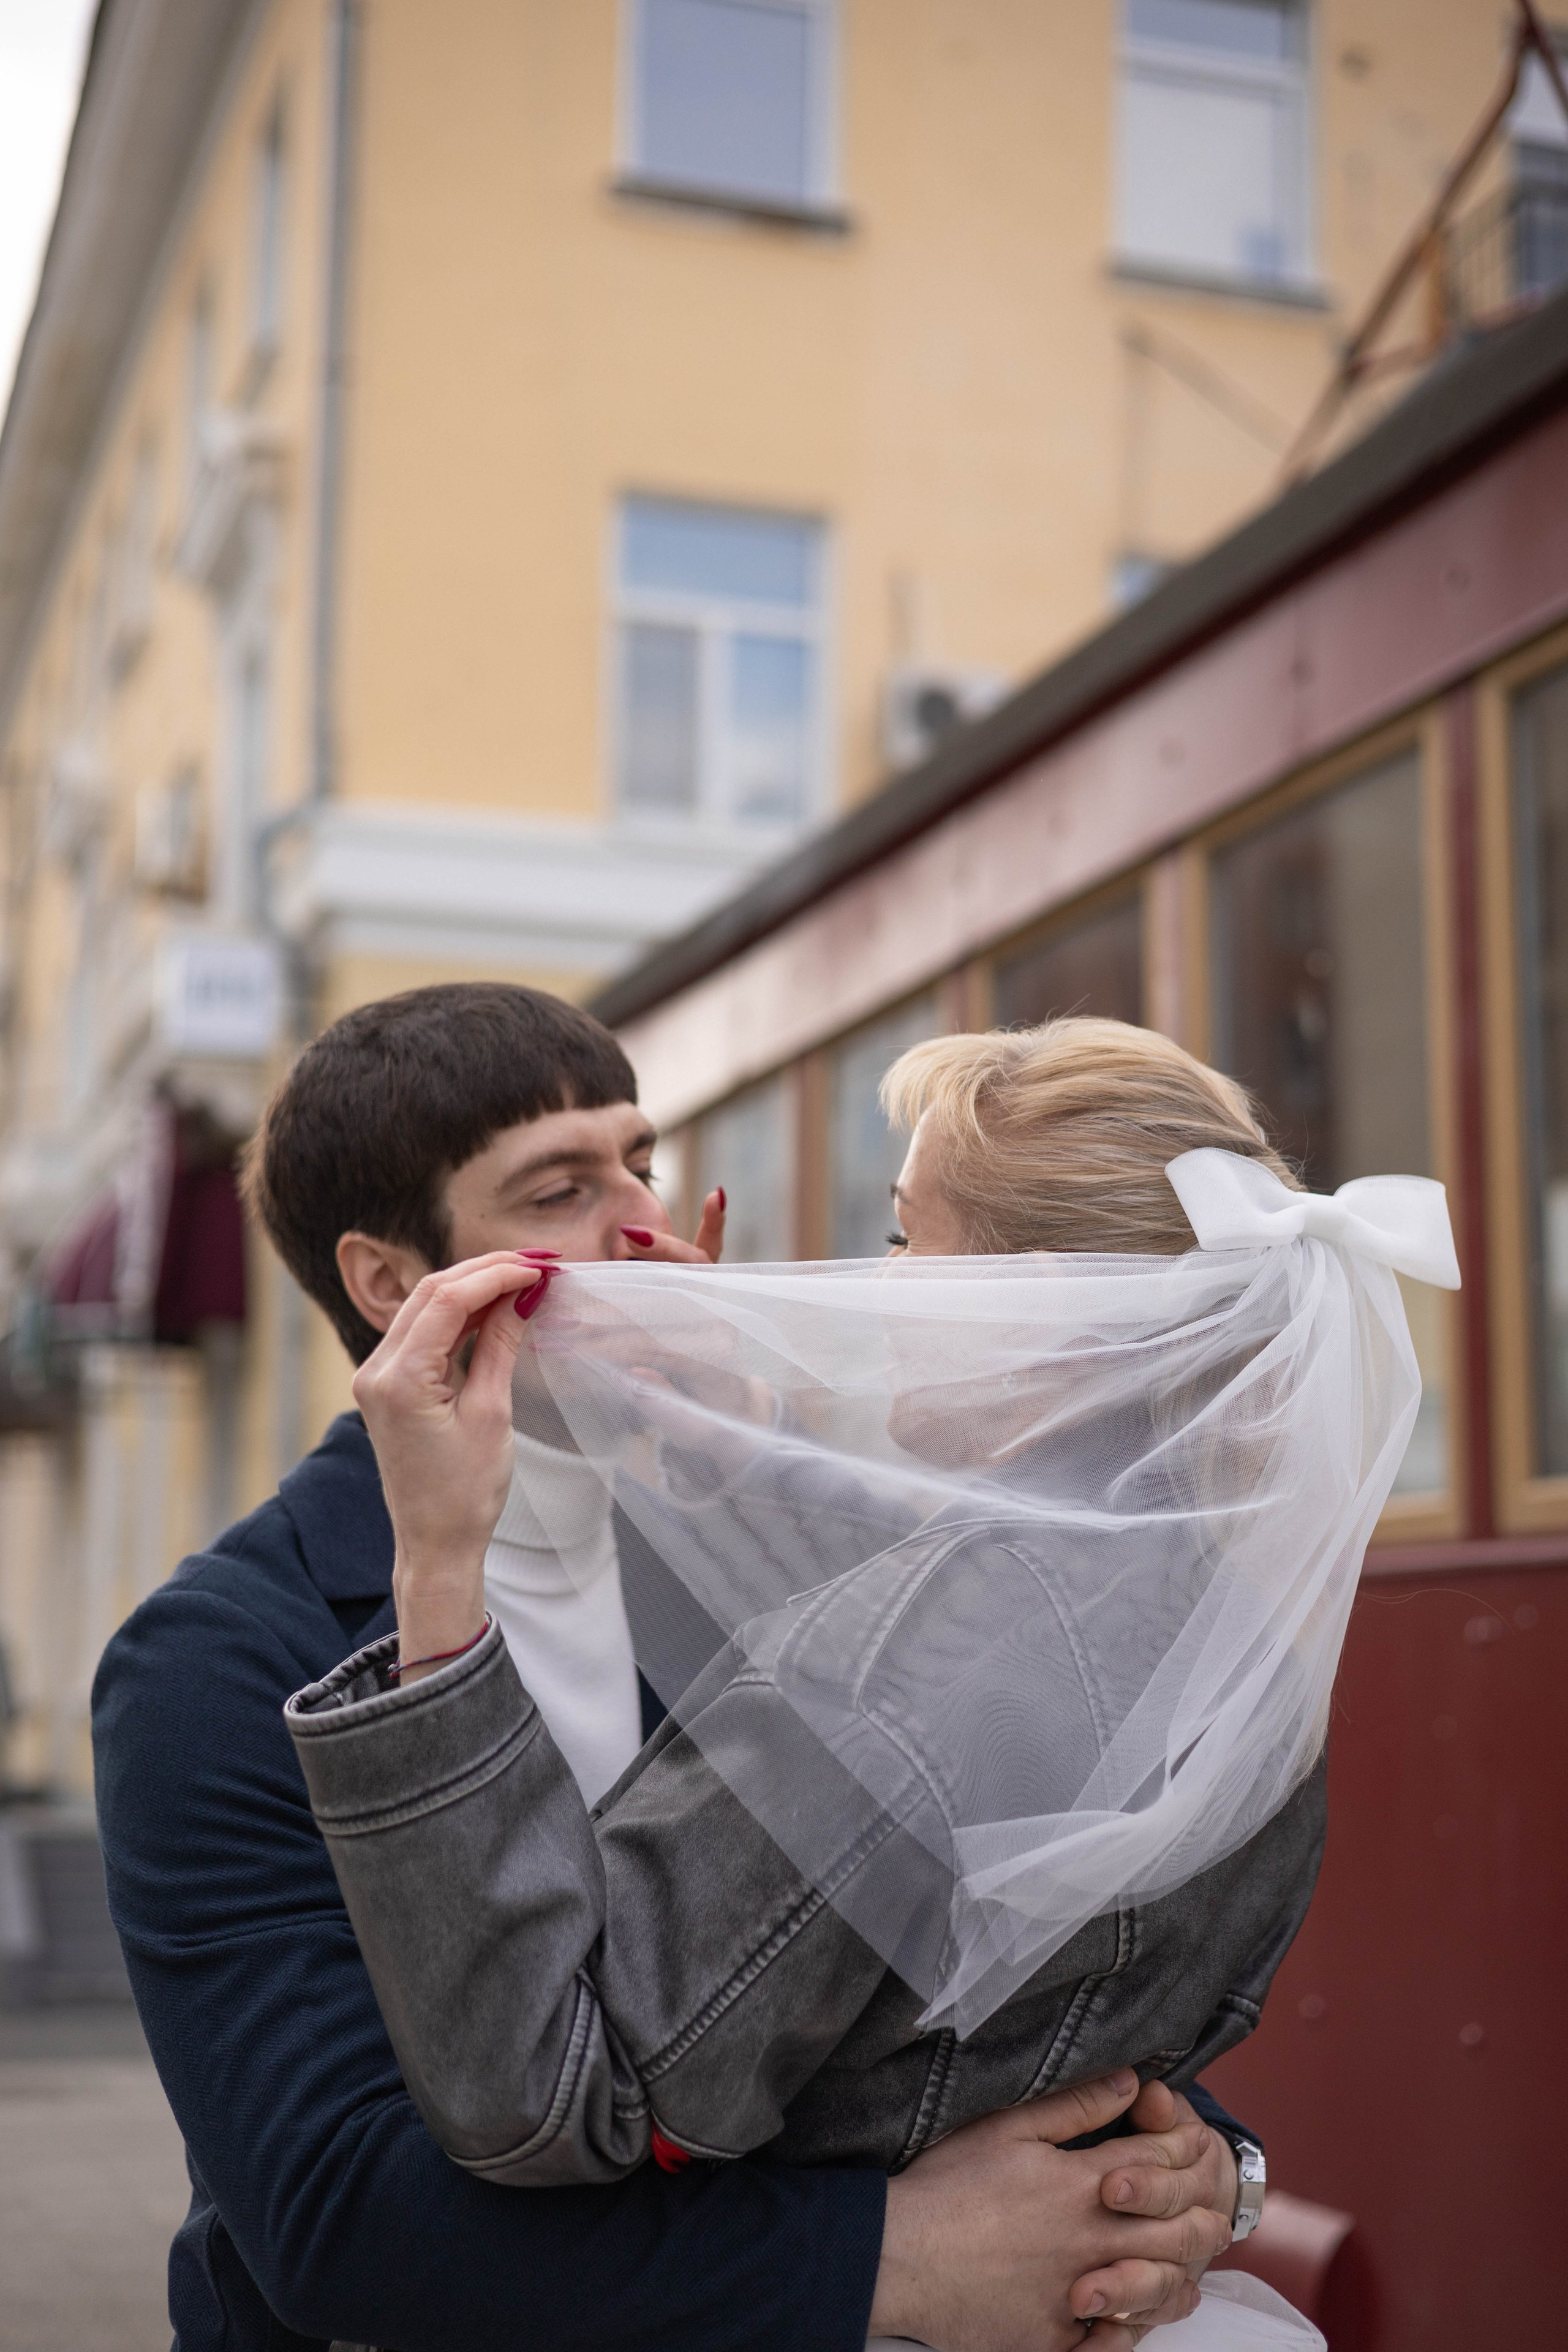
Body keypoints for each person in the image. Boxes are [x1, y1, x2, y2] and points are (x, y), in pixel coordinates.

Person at [94, 986, 1256, 2352]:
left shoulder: (806, 1560)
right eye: (560, 1190)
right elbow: (341, 2222)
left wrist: (1194, 2171)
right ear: (392, 1285)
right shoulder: (211, 1661)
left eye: (640, 1161)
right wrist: (892, 2255)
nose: (643, 1227)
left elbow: (979, 1989)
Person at [281, 1019, 1406, 2237]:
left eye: (903, 1237)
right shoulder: (1246, 1650)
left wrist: (438, 1583)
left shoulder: (903, 1656)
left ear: (1031, 1313)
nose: (869, 1284)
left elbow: (553, 2102)